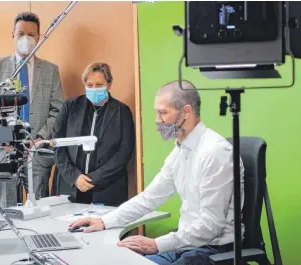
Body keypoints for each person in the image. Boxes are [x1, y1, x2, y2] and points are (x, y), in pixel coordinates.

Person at [70, 80, 245, 265]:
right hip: (186, 246)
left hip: (214, 250)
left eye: (163, 113)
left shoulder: (215, 152)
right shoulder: (180, 151)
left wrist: (156, 244)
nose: (157, 120)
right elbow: (149, 198)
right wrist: (103, 221)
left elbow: (211, 226)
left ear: (186, 111)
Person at [0, 12, 63, 208]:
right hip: (5, 152)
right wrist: (5, 139)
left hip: (38, 153)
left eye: (31, 34)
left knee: (40, 211)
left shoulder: (50, 70)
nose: (25, 39)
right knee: (8, 212)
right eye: (20, 34)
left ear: (39, 37)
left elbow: (57, 110)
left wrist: (39, 139)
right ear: (12, 35)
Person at [51, 62, 135, 207]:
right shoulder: (70, 107)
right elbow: (57, 144)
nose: (94, 89)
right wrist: (75, 177)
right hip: (71, 185)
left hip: (107, 188)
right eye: (89, 85)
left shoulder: (122, 111)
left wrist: (94, 179)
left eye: (99, 84)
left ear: (109, 85)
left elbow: (124, 153)